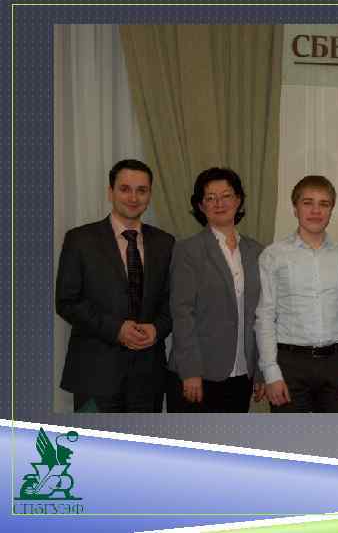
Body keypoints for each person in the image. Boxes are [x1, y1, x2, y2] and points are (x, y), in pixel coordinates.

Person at [56, 159, 174, 412]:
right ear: (110, 192)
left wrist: (157, 329)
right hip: (94, 376)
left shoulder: (165, 243)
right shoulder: (80, 240)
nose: (133, 197)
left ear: (149, 195)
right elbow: (67, 302)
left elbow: (172, 302)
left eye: (141, 190)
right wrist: (116, 329)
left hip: (148, 378)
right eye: (125, 189)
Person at [255, 176, 338, 412]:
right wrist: (271, 371)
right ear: (295, 208)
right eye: (307, 203)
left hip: (336, 363)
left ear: (331, 210)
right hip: (289, 364)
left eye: (324, 204)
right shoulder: (274, 255)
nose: (316, 211)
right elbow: (265, 316)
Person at [167, 167, 264, 413]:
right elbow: (182, 314)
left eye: (226, 196)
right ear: (201, 206)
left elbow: (262, 315)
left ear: (238, 200)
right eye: (210, 198)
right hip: (199, 374)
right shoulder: (188, 250)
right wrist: (190, 371)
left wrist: (261, 370)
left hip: (242, 373)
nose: (219, 203)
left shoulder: (256, 251)